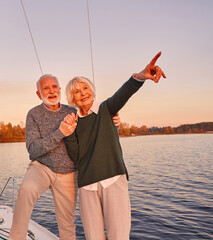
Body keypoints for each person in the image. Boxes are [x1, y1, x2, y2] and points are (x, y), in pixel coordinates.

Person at [62, 52, 166, 240]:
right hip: (87, 186)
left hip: (113, 179)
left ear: (92, 90)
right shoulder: (72, 122)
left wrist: (141, 76)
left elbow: (124, 93)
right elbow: (76, 156)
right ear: (72, 99)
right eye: (77, 91)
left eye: (85, 88)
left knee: (119, 235)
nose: (82, 93)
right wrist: (68, 134)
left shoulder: (107, 108)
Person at [9, 74, 121, 240]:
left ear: (60, 90)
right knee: (27, 190)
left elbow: (96, 134)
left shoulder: (73, 112)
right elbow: (33, 150)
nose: (51, 91)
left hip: (69, 172)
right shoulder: (33, 114)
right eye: (46, 88)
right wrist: (59, 133)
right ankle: (16, 237)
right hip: (42, 167)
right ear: (39, 94)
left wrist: (113, 123)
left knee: (67, 222)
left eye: (54, 87)